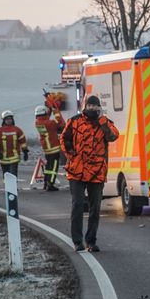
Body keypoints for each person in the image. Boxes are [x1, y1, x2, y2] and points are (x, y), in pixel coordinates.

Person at [61, 96, 119, 252]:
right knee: (78, 205)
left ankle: (91, 241)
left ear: (99, 108)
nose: (93, 109)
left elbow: (113, 136)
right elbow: (64, 139)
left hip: (97, 172)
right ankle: (77, 241)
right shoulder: (74, 122)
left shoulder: (105, 123)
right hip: (76, 171)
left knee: (95, 208)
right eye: (91, 106)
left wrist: (101, 121)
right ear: (85, 106)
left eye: (96, 106)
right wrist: (71, 154)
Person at [34, 104, 63, 191]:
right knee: (54, 167)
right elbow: (61, 123)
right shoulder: (51, 123)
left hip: (47, 148)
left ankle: (46, 182)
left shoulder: (37, 123)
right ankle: (50, 184)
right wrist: (55, 110)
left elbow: (46, 118)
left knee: (48, 166)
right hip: (54, 147)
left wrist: (49, 109)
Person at [0, 110, 28, 178]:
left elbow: (23, 141)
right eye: (7, 119)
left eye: (10, 119)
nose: (9, 120)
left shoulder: (17, 130)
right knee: (6, 175)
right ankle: (7, 188)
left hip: (14, 157)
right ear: (4, 120)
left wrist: (25, 151)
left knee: (13, 175)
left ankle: (14, 188)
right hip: (3, 157)